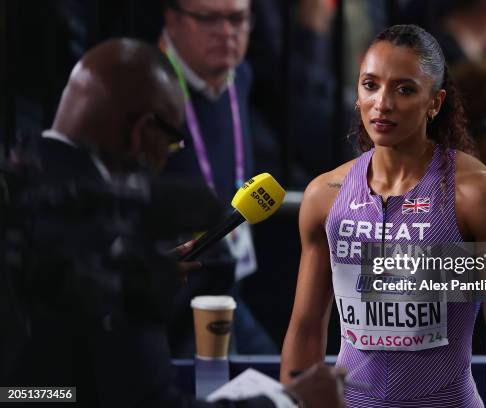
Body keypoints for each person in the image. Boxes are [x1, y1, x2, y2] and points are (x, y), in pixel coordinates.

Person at [4, 38, 345, 408]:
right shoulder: (113, 234)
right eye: (170, 143)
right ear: (143, 132)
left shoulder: (17, 182)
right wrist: (290, 402)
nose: (165, 160)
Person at [280, 25, 486, 407]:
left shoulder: (481, 197)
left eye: (404, 89)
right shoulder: (323, 196)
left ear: (435, 102)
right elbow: (307, 328)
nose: (383, 104)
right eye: (370, 85)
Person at [161, 0, 276, 356]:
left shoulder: (239, 74)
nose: (226, 32)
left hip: (228, 284)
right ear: (172, 19)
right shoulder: (146, 84)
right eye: (207, 18)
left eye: (237, 18)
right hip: (168, 295)